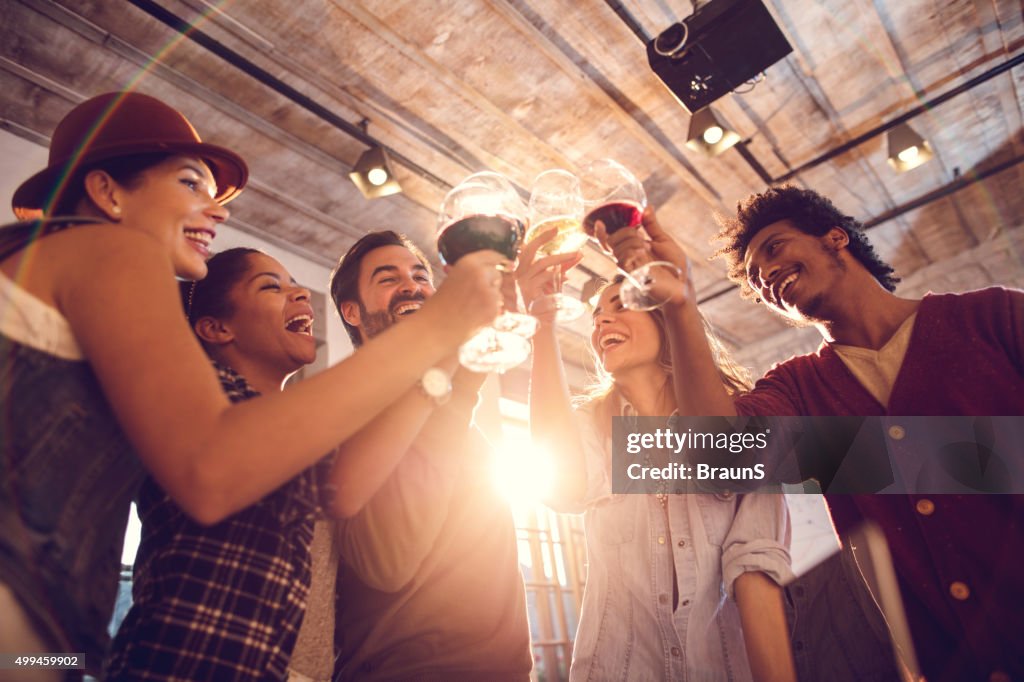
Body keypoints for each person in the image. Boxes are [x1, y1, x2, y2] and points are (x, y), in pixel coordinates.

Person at [0, 92, 504, 678]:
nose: (218, 212)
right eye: (191, 183)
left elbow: (337, 488)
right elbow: (215, 473)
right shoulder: (109, 246)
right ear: (108, 192)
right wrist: (437, 330)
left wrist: (452, 358)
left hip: (50, 640)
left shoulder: (59, 284)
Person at [606, 185, 1024, 682]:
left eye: (775, 247)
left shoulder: (995, 317)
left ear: (835, 237)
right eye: (756, 279)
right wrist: (679, 305)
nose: (766, 275)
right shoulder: (798, 388)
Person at [517, 228, 797, 681]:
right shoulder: (591, 427)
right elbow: (561, 488)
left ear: (664, 319)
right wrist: (542, 325)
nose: (601, 323)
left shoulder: (739, 425)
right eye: (595, 317)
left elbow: (756, 567)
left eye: (621, 306)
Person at [104, 247, 336, 680]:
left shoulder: (281, 420)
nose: (300, 292)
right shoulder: (199, 400)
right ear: (215, 328)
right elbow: (342, 476)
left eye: (294, 283)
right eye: (272, 286)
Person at [328, 231, 533, 681]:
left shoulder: (457, 415)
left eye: (420, 275)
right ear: (352, 312)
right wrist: (456, 385)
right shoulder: (348, 413)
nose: (411, 285)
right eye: (388, 278)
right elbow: (387, 562)